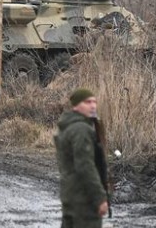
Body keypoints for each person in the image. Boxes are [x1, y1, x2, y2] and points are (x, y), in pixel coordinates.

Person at [54, 88, 109, 228]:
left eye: (94, 102)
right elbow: (85, 166)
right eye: (87, 102)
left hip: (71, 195)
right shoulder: (81, 130)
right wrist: (99, 198)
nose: (93, 106)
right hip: (84, 200)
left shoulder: (68, 126)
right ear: (76, 105)